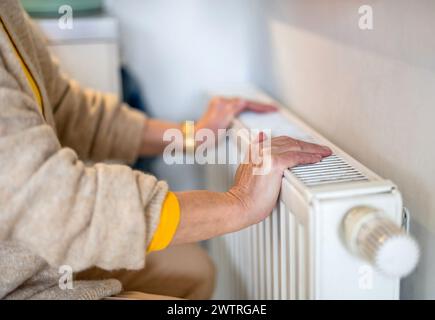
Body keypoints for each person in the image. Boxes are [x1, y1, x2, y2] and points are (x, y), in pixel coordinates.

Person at [0, 0, 332, 300]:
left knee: (195, 270)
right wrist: (237, 203)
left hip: (36, 253)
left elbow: (68, 111)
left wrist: (191, 136)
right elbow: (54, 204)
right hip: (15, 281)